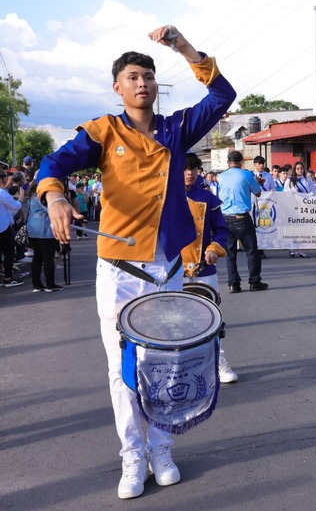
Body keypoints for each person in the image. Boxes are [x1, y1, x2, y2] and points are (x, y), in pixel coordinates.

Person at [38, 25, 236, 499]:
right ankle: (132, 456)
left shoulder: (177, 129)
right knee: (121, 368)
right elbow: (54, 164)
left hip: (167, 268)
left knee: (167, 365)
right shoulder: (104, 131)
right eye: (132, 76)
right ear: (118, 87)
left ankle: (162, 448)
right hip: (119, 273)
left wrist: (184, 48)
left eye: (147, 74)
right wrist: (54, 197)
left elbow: (223, 93)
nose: (142, 82)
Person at [181, 153, 237, 382]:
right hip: (173, 270)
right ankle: (180, 369)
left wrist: (214, 248)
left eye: (193, 168)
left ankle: (218, 362)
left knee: (211, 317)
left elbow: (221, 230)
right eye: (185, 169)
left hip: (204, 268)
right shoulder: (163, 198)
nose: (189, 173)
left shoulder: (208, 198)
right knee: (175, 321)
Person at [218, 150, 267, 293]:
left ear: (228, 163)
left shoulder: (221, 176)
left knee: (230, 253)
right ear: (241, 162)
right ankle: (254, 281)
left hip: (225, 216)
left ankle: (233, 284)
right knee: (251, 251)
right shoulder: (246, 174)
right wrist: (256, 182)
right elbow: (257, 192)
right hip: (242, 217)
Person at [26, 182, 62, 292]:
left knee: (37, 257)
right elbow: (52, 209)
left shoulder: (32, 197)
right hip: (44, 229)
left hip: (33, 228)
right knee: (48, 258)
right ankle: (50, 284)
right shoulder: (42, 197)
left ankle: (37, 285)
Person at [285, 161, 316, 258]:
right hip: (294, 206)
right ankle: (292, 248)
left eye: (301, 168)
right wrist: (291, 192)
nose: (300, 170)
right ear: (295, 170)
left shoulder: (307, 179)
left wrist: (312, 194)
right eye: (297, 168)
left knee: (304, 228)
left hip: (306, 207)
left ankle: (302, 250)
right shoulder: (289, 180)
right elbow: (285, 192)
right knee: (294, 228)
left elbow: (314, 189)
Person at [1, 170, 24, 287]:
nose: (7, 179)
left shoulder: (4, 193)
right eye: (5, 177)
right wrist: (21, 197)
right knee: (9, 253)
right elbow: (15, 206)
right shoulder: (2, 193)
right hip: (4, 228)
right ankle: (8, 278)